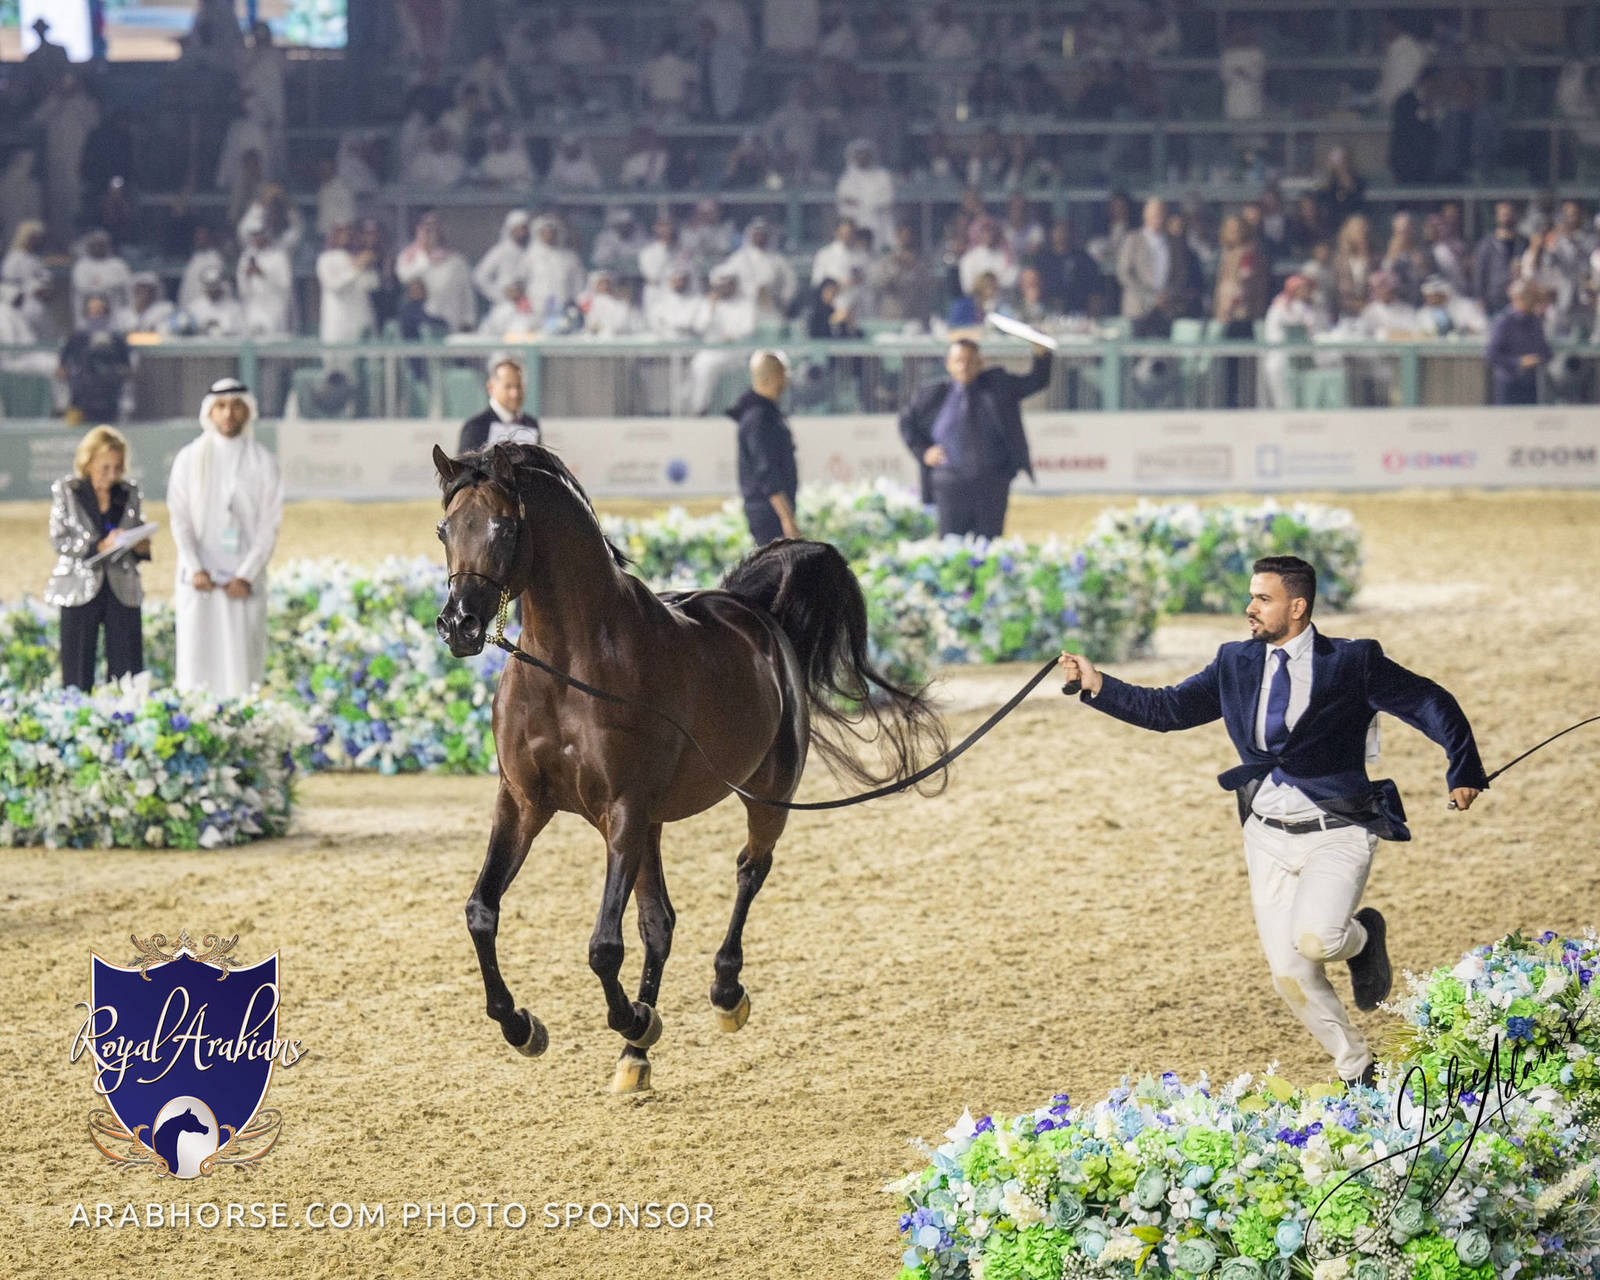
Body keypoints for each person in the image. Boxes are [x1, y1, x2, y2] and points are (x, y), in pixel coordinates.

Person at [1057, 556, 1486, 1087]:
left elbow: (1429, 702)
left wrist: (1463, 767)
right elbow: (1168, 710)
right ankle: (1356, 1066)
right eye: (1251, 596)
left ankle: (1362, 938)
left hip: (1337, 828)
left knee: (1319, 941)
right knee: (1289, 973)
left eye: (1263, 598)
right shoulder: (1234, 661)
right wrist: (1099, 684)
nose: (1250, 608)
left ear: (1297, 606)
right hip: (1265, 834)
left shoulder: (1354, 661)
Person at [166, 378, 284, 698]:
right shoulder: (189, 458)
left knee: (242, 667)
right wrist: (195, 569)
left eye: (236, 406)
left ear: (248, 411)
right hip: (199, 582)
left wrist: (245, 576)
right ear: (209, 412)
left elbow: (269, 527)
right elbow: (180, 520)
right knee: (196, 665)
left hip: (243, 584)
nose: (228, 413)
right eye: (220, 406)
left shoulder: (263, 461)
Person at [897, 338, 1050, 539]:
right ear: (948, 364)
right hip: (949, 484)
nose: (964, 366)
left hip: (992, 482)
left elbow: (1037, 381)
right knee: (951, 545)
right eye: (959, 361)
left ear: (980, 362)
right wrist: (923, 452)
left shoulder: (999, 386)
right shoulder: (931, 395)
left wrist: (1041, 353)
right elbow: (907, 423)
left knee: (989, 544)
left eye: (970, 361)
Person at [45, 426, 151, 690]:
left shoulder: (129, 492)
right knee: (77, 671)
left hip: (122, 588)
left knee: (127, 670)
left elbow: (136, 531)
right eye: (105, 468)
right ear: (88, 461)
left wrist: (140, 546)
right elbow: (59, 539)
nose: (112, 475)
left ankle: (126, 710)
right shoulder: (68, 490)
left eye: (117, 468)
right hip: (78, 586)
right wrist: (97, 546)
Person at [729, 350, 799, 544]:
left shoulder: (763, 414)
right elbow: (766, 470)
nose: (786, 379)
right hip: (768, 513)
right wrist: (786, 517)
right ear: (774, 377)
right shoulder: (759, 419)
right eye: (784, 373)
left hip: (768, 510)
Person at [59, 295, 131, 424]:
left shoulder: (115, 336)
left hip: (109, 385)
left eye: (100, 310)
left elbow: (125, 359)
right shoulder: (79, 335)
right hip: (84, 384)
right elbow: (66, 354)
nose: (96, 314)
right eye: (93, 310)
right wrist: (63, 367)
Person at [1486, 281, 1552, 405]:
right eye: (1528, 297)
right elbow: (1492, 355)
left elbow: (1546, 351)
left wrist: (1537, 358)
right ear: (1516, 298)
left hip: (1530, 383)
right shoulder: (1504, 322)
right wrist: (1519, 362)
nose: (1532, 301)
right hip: (1508, 382)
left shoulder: (1535, 321)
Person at [458, 359, 541, 453]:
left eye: (519, 386)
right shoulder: (475, 427)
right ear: (491, 387)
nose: (515, 394)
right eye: (508, 386)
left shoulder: (531, 424)